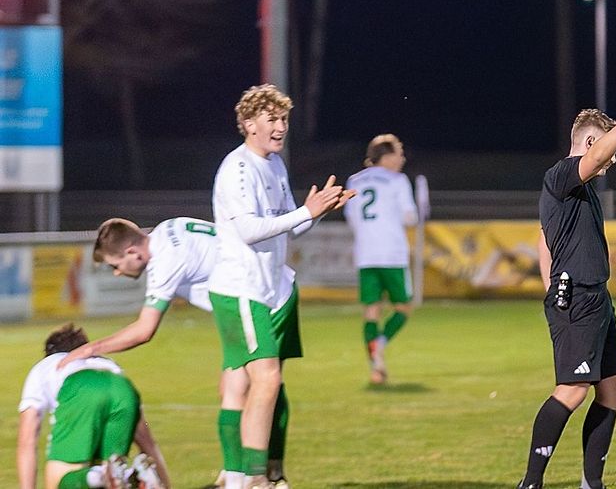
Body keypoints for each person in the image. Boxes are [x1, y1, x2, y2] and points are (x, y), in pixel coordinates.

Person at [56, 217, 295, 488]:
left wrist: (89, 349)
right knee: (238, 387)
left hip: (263, 301)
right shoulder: (170, 227)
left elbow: (145, 330)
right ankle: (241, 476)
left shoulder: (165, 260)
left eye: (116, 265)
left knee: (252, 386)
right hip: (261, 293)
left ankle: (259, 476)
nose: (117, 273)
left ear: (133, 252)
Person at [208, 83, 353, 489]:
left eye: (284, 119)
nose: (280, 127)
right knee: (265, 380)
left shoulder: (274, 165)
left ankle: (250, 475)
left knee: (259, 382)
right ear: (249, 124)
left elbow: (291, 228)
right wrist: (304, 211)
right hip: (242, 289)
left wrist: (319, 210)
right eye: (271, 119)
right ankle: (254, 478)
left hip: (273, 289)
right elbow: (252, 231)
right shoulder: (238, 169)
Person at [517, 93, 616, 489]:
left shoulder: (581, 190)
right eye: (608, 149)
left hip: (597, 298)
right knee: (573, 390)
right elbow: (594, 160)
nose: (613, 161)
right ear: (592, 143)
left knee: (613, 387)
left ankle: (592, 483)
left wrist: (548, 283)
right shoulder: (562, 174)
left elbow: (545, 238)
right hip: (578, 299)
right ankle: (531, 482)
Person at [18, 323, 169, 489]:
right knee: (114, 481)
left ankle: (100, 476)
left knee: (58, 481)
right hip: (123, 388)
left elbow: (27, 441)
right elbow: (146, 439)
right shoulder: (106, 363)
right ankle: (136, 476)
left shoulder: (45, 366)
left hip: (81, 388)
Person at [343, 134, 418, 384]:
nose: (402, 158)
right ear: (386, 156)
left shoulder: (354, 181)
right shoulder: (397, 181)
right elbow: (410, 217)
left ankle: (376, 368)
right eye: (399, 153)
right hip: (393, 253)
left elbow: (351, 218)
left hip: (366, 253)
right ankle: (381, 344)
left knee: (371, 311)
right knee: (404, 308)